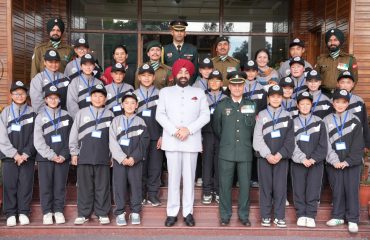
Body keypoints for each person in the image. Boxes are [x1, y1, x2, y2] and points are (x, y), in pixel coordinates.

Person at [156, 59, 210, 227]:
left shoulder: (199, 92)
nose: (184, 75)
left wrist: (188, 129)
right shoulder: (165, 92)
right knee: (173, 179)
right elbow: (160, 115)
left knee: (189, 179)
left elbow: (205, 116)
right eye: (180, 72)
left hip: (191, 141)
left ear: (191, 74)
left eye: (186, 72)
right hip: (172, 141)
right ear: (175, 74)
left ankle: (188, 212)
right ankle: (172, 213)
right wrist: (174, 131)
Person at [213, 71, 256, 226]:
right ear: (229, 86)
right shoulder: (221, 106)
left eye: (240, 85)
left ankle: (244, 215)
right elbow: (217, 129)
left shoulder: (251, 105)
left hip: (245, 152)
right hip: (226, 151)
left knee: (245, 186)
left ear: (244, 86)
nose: (237, 88)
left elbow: (253, 129)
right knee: (224, 186)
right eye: (234, 85)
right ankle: (225, 215)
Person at [69, 84, 114, 225]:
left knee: (103, 187)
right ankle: (83, 213)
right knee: (84, 187)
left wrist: (112, 155)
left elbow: (113, 138)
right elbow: (74, 134)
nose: (98, 98)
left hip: (103, 158)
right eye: (95, 95)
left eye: (101, 96)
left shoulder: (110, 114)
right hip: (84, 157)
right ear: (90, 97)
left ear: (105, 99)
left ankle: (102, 213)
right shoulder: (81, 113)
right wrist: (74, 152)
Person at [253, 85, 294, 228]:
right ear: (268, 98)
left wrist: (280, 154)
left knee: (280, 187)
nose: (276, 99)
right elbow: (257, 137)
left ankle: (279, 216)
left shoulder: (288, 115)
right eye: (273, 96)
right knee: (265, 187)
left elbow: (290, 139)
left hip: (281, 158)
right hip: (264, 158)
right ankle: (265, 216)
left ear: (282, 98)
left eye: (278, 96)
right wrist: (267, 154)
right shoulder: (262, 114)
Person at [323, 89, 363, 233]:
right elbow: (325, 143)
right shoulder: (326, 120)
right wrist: (334, 160)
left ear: (348, 104)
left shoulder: (355, 120)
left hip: (352, 164)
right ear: (333, 103)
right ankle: (338, 216)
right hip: (334, 163)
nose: (340, 105)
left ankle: (353, 219)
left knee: (352, 190)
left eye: (344, 102)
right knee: (337, 189)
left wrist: (348, 161)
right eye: (337, 102)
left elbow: (358, 144)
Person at [33, 85, 73, 225]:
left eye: (56, 98)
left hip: (63, 158)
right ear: (45, 100)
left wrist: (63, 154)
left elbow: (71, 138)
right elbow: (38, 140)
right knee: (46, 186)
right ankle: (47, 212)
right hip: (45, 159)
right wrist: (51, 155)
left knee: (60, 186)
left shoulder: (67, 116)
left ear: (59, 99)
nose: (53, 100)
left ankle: (58, 210)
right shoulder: (40, 117)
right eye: (50, 98)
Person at [109, 91, 150, 226]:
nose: (130, 105)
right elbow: (112, 141)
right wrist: (121, 158)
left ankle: (135, 211)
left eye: (133, 103)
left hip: (135, 162)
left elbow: (144, 142)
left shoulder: (140, 122)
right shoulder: (116, 121)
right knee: (119, 186)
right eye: (126, 103)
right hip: (119, 161)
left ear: (137, 105)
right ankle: (120, 212)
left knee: (136, 185)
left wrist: (134, 157)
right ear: (122, 105)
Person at [0, 81, 36, 227]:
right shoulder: (5, 112)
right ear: (11, 95)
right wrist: (14, 154)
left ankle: (23, 212)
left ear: (26, 95)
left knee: (25, 184)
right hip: (9, 158)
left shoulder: (33, 113)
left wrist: (26, 154)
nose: (19, 96)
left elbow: (36, 136)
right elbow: (1, 136)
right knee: (10, 185)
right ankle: (10, 213)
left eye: (22, 93)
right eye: (16, 93)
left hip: (27, 157)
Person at [291, 92, 327, 228]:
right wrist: (301, 158)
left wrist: (313, 159)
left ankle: (311, 215)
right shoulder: (292, 122)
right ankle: (301, 214)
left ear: (312, 105)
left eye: (307, 104)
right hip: (298, 162)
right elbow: (291, 143)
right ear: (297, 105)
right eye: (302, 104)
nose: (305, 107)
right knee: (298, 188)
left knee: (313, 188)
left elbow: (323, 145)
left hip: (315, 163)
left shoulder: (319, 122)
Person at [133, 64, 163, 206]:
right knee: (140, 167)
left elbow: (167, 117)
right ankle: (140, 194)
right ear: (139, 77)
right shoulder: (133, 95)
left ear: (154, 77)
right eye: (143, 75)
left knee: (155, 167)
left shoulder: (161, 94)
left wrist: (163, 135)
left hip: (156, 137)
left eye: (149, 75)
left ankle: (152, 195)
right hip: (138, 138)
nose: (146, 78)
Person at [200, 70, 227, 205]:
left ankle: (217, 190)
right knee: (207, 163)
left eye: (217, 80)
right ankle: (207, 191)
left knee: (219, 164)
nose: (214, 83)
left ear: (222, 83)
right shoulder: (202, 97)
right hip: (207, 135)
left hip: (222, 136)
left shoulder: (227, 98)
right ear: (208, 82)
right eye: (211, 80)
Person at [315, 28, 358, 95]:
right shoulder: (321, 59)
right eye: (330, 40)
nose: (332, 43)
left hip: (342, 95)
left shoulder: (349, 59)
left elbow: (354, 78)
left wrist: (347, 93)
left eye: (335, 40)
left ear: (340, 41)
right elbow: (315, 77)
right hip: (324, 94)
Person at [336, 70, 370, 152]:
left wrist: (366, 143)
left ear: (353, 85)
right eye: (342, 82)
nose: (345, 85)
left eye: (348, 82)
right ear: (338, 84)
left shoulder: (359, 101)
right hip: (337, 141)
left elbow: (364, 122)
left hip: (356, 141)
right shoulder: (332, 101)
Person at [66, 54, 103, 119]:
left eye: (90, 65)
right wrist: (80, 119)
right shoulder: (75, 82)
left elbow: (102, 102)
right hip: (80, 119)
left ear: (94, 66)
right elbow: (71, 103)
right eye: (85, 65)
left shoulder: (99, 83)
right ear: (81, 66)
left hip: (96, 119)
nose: (88, 67)